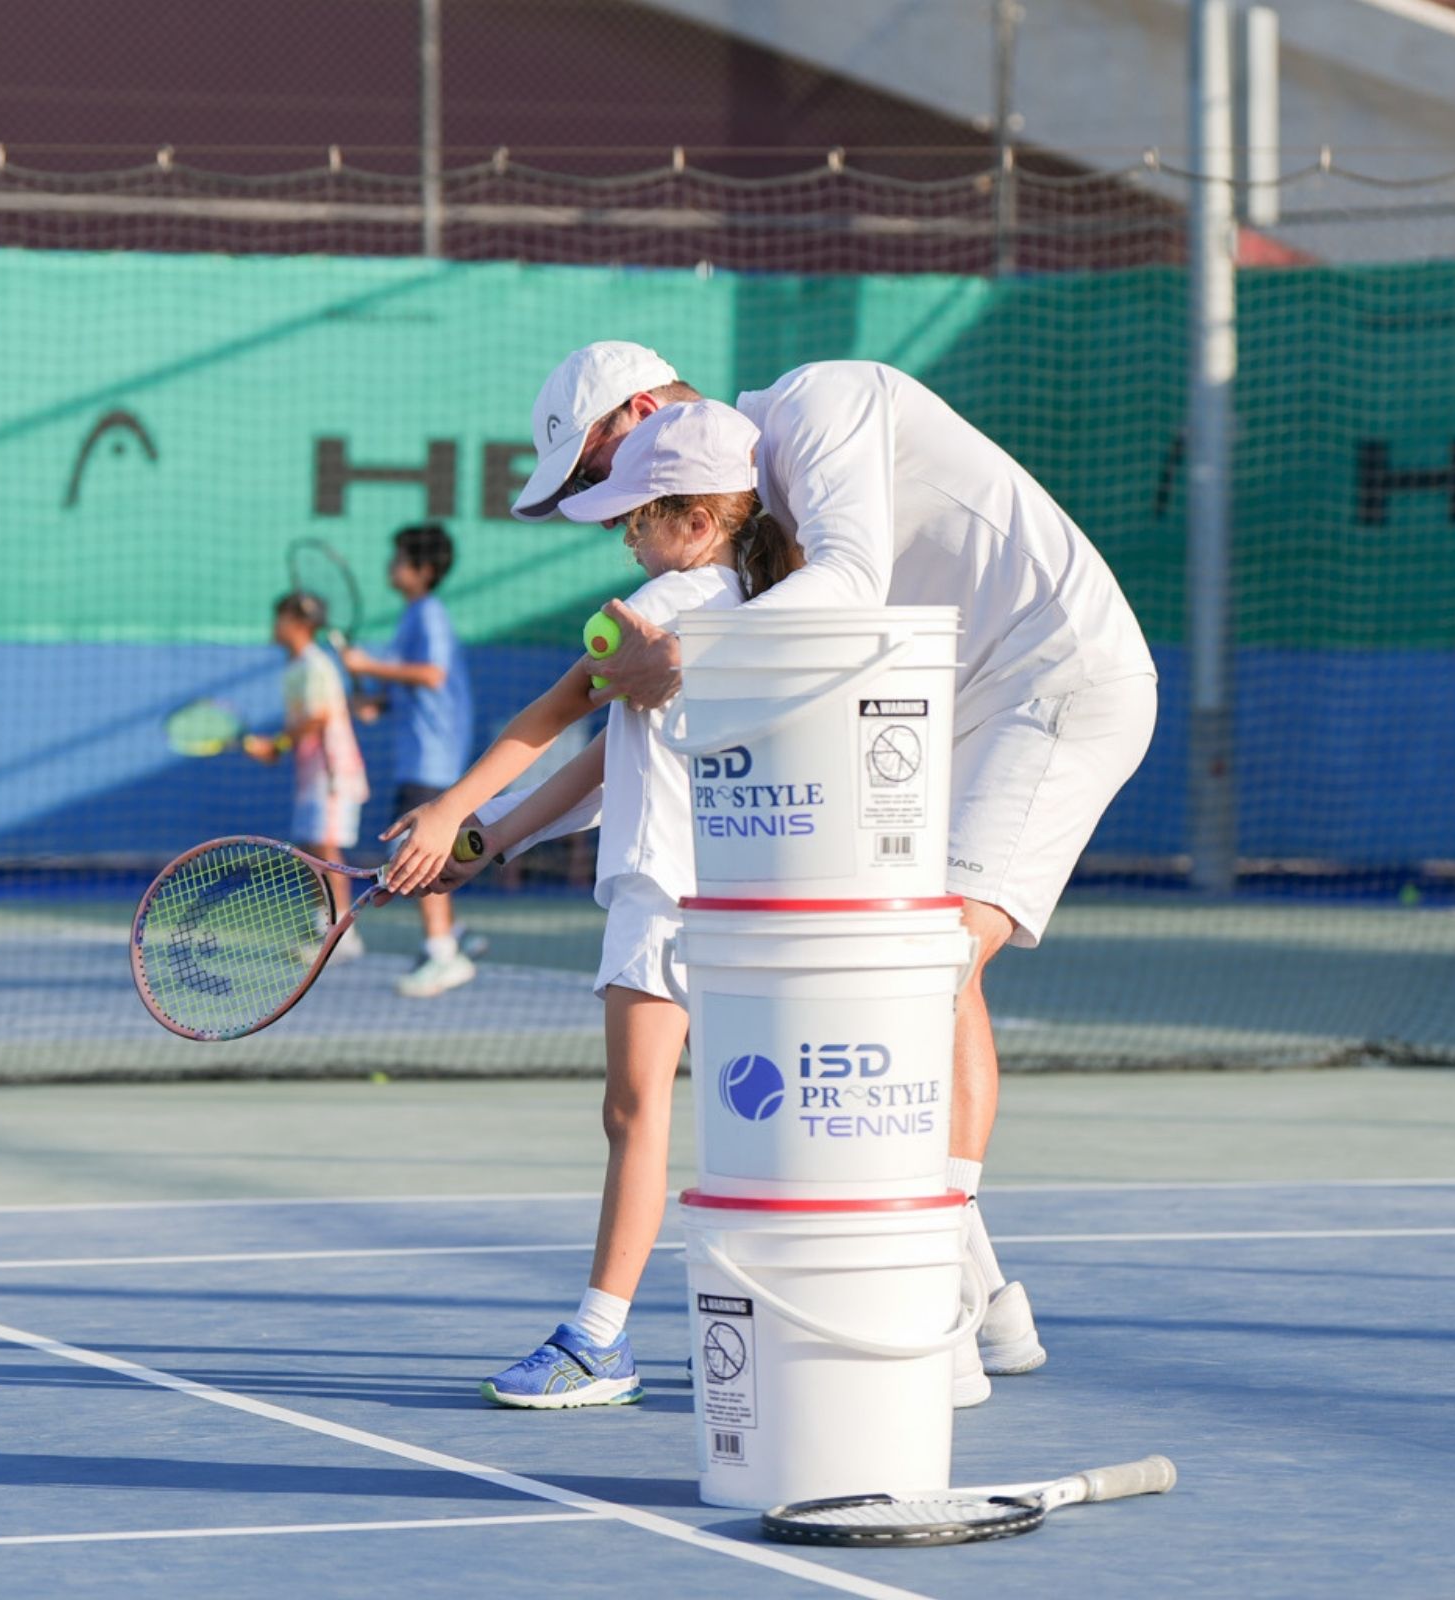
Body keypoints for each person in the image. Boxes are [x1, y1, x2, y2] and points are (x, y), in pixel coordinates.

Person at [512, 342, 1158, 1406]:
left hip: (1056, 682)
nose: (608, 506)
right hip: (939, 708)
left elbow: (853, 578)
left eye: (595, 470)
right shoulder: (752, 551)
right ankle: (986, 1302)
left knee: (928, 961)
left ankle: (934, 1313)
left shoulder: (824, 400)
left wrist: (677, 663)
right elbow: (630, 732)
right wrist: (489, 829)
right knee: (906, 969)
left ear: (642, 411)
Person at [384, 400, 801, 1406]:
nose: (623, 534)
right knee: (778, 1118)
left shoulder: (650, 614)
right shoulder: (762, 605)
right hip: (758, 885)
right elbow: (613, 759)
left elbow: (559, 714)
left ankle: (600, 1338)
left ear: (696, 517)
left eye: (634, 517)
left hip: (666, 890)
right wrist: (499, 838)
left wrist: (452, 811)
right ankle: (815, 1328)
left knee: (634, 1109)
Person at [341, 524, 480, 998]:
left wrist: (367, 667)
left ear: (422, 571)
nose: (390, 566)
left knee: (416, 857)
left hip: (432, 757)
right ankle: (451, 938)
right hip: (420, 756)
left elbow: (431, 673)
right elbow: (408, 686)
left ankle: (444, 953)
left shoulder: (429, 614)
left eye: (399, 559)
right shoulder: (412, 616)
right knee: (426, 857)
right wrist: (375, 702)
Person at [245, 591, 370, 959]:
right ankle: (324, 926)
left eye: (279, 618)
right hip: (311, 776)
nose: (274, 626)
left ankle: (342, 935)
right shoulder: (297, 667)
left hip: (332, 774)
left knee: (327, 852)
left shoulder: (315, 666)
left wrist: (277, 746)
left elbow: (317, 718)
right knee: (312, 852)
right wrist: (274, 748)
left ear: (298, 624)